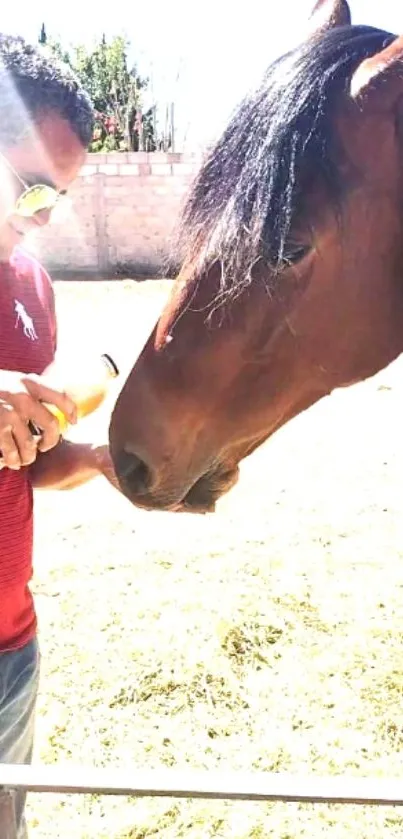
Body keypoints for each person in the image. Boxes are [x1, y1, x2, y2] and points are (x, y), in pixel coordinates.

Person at [0, 34, 116, 836]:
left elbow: (24, 465)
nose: (36, 219)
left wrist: (102, 462)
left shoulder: (31, 288)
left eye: (54, 199)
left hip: (11, 648)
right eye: (26, 186)